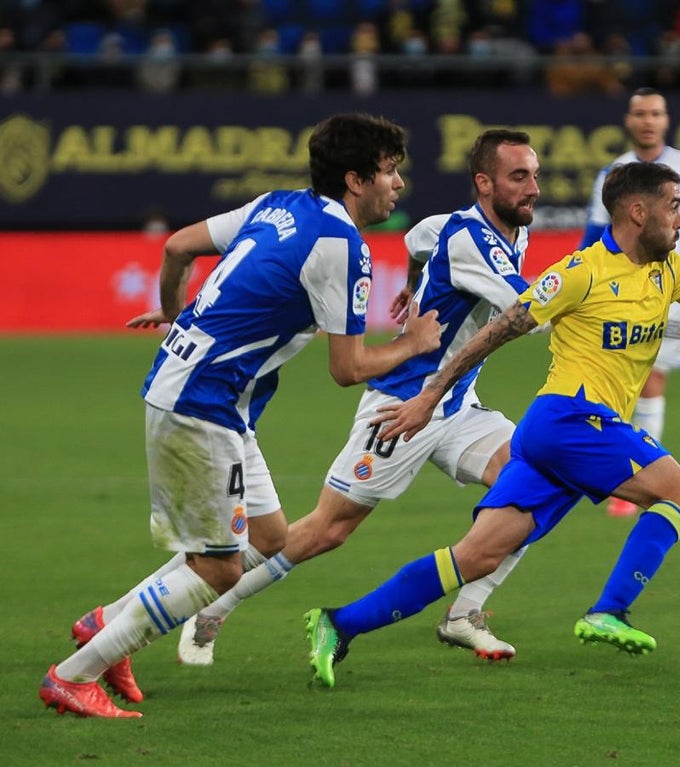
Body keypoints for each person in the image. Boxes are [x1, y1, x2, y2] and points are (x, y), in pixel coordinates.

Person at [40, 113, 443, 718]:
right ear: (356, 180)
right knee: (220, 568)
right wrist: (414, 343)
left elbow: (177, 247)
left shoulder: (276, 205)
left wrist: (178, 317)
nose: (398, 185)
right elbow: (348, 367)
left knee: (269, 539)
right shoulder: (343, 245)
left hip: (208, 395)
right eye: (390, 173)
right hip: (203, 403)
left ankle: (106, 624)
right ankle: (74, 675)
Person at [301, 161, 680, 688]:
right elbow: (495, 332)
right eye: (674, 207)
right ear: (638, 211)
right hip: (569, 418)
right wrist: (431, 395)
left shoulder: (672, 270)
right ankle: (610, 610)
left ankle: (339, 623)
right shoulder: (580, 272)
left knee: (476, 555)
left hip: (561, 439)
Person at [174, 129, 541, 667]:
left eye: (534, 174)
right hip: (402, 408)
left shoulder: (490, 230)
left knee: (534, 487)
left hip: (457, 404)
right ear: (484, 183)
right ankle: (212, 608)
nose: (533, 187)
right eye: (519, 177)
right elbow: (527, 313)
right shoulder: (468, 240)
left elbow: (417, 239)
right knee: (327, 530)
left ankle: (465, 614)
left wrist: (415, 287)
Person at [580, 87, 680, 516]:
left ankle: (636, 475)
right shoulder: (614, 172)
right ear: (628, 121)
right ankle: (622, 469)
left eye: (656, 113)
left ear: (666, 120)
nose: (648, 120)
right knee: (614, 379)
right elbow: (592, 234)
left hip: (671, 290)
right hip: (614, 292)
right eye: (640, 113)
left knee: (653, 378)